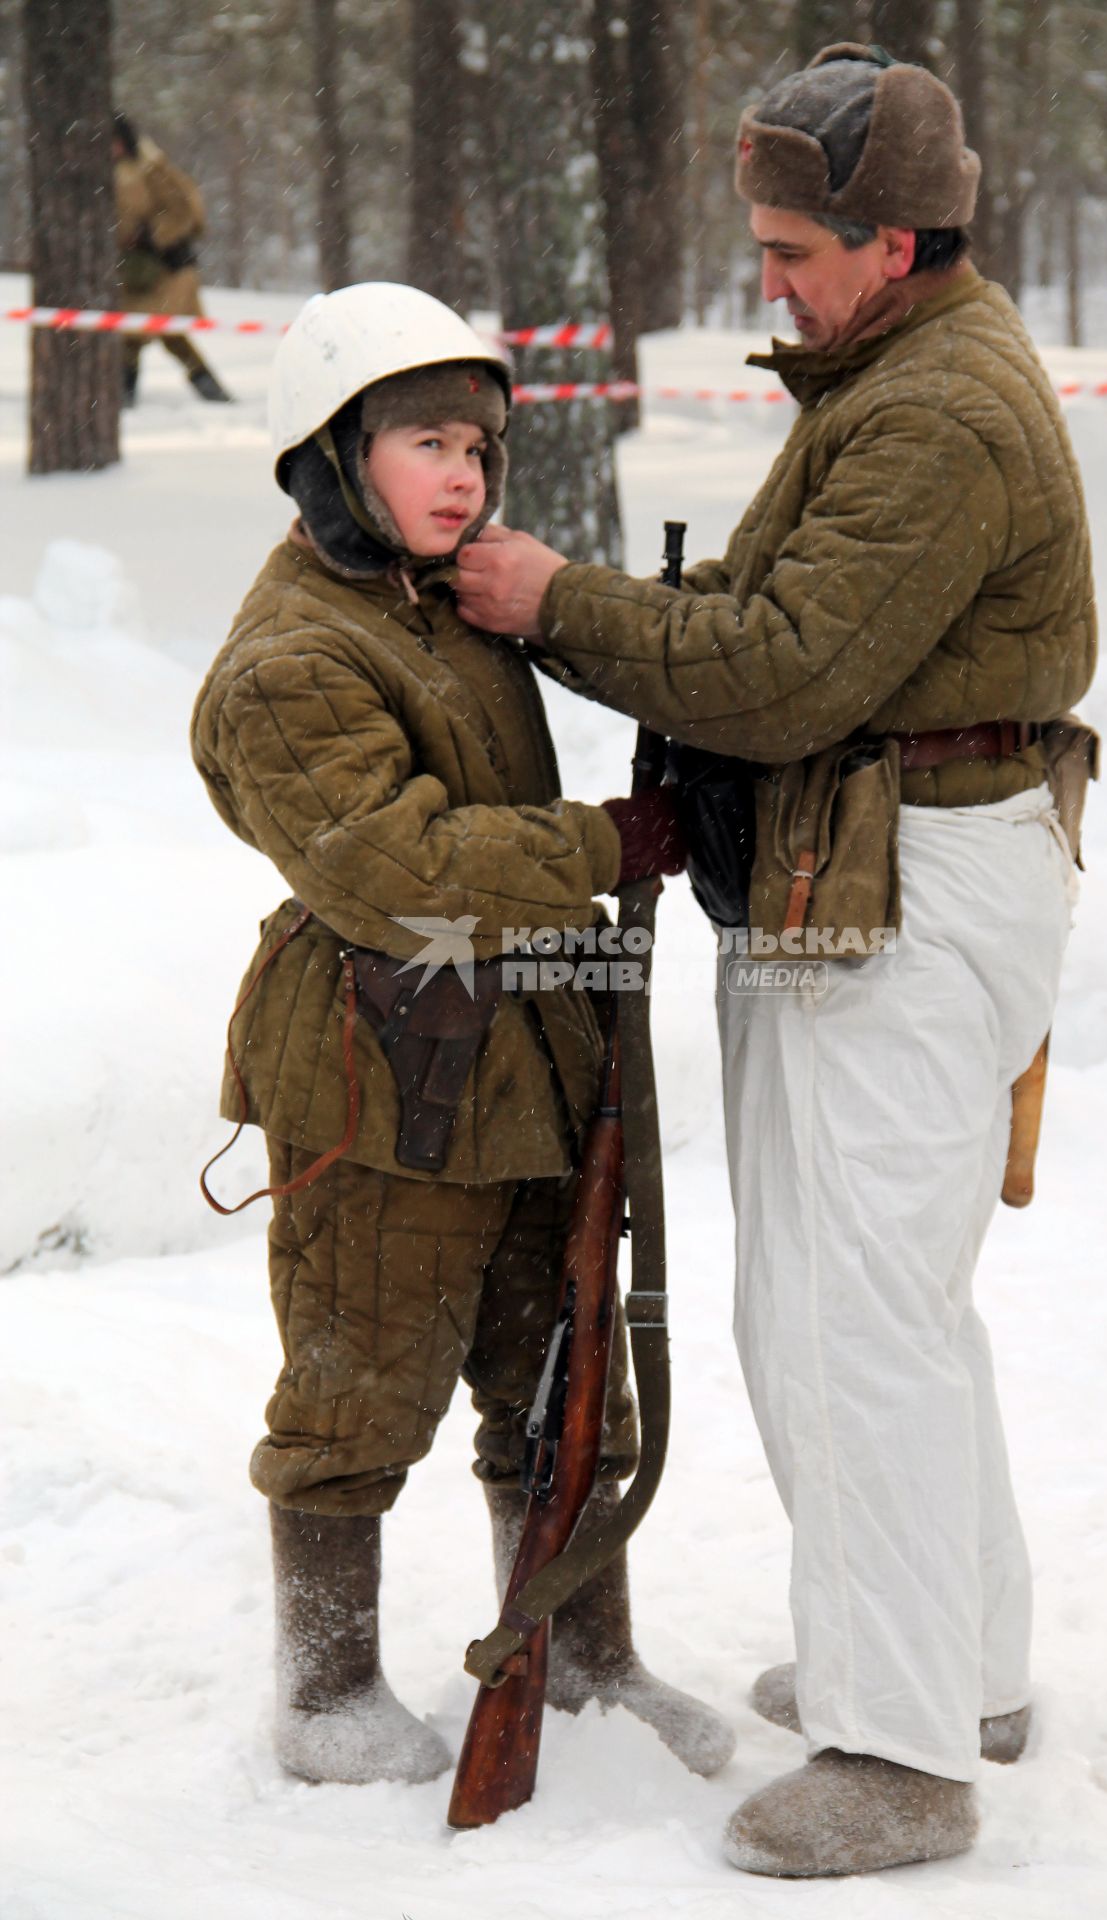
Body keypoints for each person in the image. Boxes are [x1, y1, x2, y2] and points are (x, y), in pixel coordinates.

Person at [454, 43, 1097, 1878]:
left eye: (794, 247)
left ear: (891, 243)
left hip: (905, 888)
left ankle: (899, 1756)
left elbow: (793, 665)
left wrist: (557, 605)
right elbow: (779, 630)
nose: (770, 278)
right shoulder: (892, 364)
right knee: (871, 1304)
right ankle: (953, 1668)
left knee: (854, 1320)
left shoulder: (933, 411)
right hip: (871, 871)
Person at [190, 281, 731, 1787]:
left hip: (530, 1060)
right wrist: (599, 845)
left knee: (563, 1380)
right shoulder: (294, 661)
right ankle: (326, 1690)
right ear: (333, 457)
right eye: (427, 442)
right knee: (360, 1378)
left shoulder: (445, 598)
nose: (465, 476)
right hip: (386, 1070)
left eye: (481, 447)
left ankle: (584, 1659)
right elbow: (398, 864)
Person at [112, 112, 233, 406]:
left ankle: (124, 396)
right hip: (139, 271)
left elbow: (185, 212)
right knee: (166, 334)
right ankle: (209, 388)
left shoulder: (152, 170)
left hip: (169, 268)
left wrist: (151, 236)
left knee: (138, 332)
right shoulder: (115, 171)